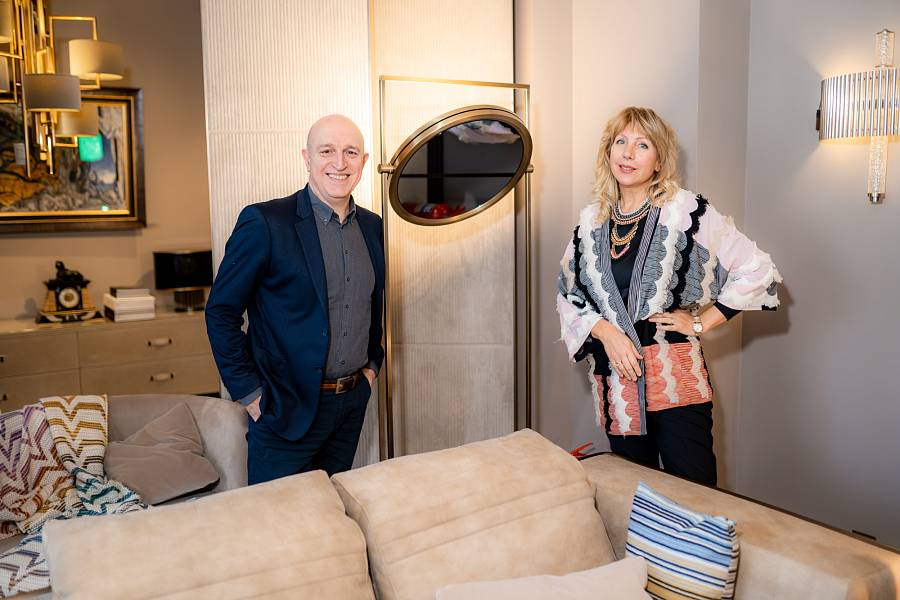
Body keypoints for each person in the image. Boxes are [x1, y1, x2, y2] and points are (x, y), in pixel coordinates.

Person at [556, 106, 780, 486]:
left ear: (659, 161)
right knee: (630, 496)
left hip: (677, 384)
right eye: (620, 142)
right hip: (618, 389)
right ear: (608, 152)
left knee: (694, 495)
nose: (628, 153)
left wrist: (700, 322)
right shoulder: (591, 222)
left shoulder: (684, 211)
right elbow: (568, 293)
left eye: (642, 145)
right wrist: (606, 333)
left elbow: (757, 268)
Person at [206, 114, 384, 485]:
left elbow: (372, 305)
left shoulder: (374, 227)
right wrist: (251, 394)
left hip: (350, 405)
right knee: (278, 517)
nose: (339, 163)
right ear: (307, 157)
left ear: (364, 161)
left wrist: (371, 368)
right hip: (284, 411)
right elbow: (221, 311)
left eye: (351, 152)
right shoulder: (266, 222)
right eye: (327, 151)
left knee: (333, 509)